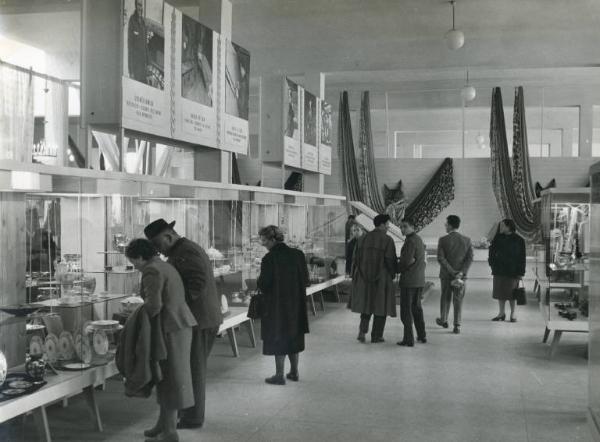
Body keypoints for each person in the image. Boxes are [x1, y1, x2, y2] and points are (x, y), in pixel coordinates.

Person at [144, 219, 222, 429]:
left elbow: (196, 284)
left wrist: (173, 303)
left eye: (159, 245)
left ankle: (193, 417)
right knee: (191, 368)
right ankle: (188, 413)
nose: (159, 251)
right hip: (200, 318)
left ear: (168, 237)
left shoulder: (186, 252)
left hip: (199, 319)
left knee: (194, 370)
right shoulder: (184, 249)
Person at [125, 239, 196, 442]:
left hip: (169, 328)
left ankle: (170, 433)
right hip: (179, 325)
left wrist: (133, 314)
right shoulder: (164, 265)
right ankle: (163, 425)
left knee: (170, 379)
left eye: (133, 262)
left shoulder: (151, 270)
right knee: (169, 378)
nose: (134, 266)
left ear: (140, 257)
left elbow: (154, 306)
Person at [257, 225, 309, 385]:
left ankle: (279, 375)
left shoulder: (269, 259)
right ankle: (294, 371)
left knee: (278, 336)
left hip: (276, 306)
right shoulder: (298, 254)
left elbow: (264, 284)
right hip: (296, 304)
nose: (263, 244)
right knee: (294, 335)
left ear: (273, 240)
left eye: (264, 241)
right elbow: (306, 280)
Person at [350, 214, 397, 343]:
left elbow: (356, 259)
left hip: (364, 278)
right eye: (387, 224)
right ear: (381, 224)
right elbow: (390, 260)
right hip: (381, 279)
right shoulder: (388, 240)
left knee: (366, 305)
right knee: (381, 307)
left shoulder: (362, 239)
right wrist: (393, 274)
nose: (388, 227)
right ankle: (377, 336)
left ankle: (362, 331)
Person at [435, 215, 474, 334]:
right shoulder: (467, 240)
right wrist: (461, 272)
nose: (445, 227)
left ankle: (444, 320)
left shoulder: (443, 240)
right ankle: (457, 325)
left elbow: (441, 259)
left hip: (446, 275)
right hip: (461, 277)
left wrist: (452, 272)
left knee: (445, 298)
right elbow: (470, 258)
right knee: (458, 300)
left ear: (450, 226)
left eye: (446, 225)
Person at [396, 217, 427, 346]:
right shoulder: (418, 239)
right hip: (419, 280)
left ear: (412, 227)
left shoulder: (410, 241)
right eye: (401, 226)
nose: (402, 229)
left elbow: (406, 261)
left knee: (406, 311)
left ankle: (408, 339)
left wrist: (397, 268)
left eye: (405, 226)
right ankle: (421, 335)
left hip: (409, 281)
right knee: (417, 309)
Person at [488, 219, 526, 322]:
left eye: (503, 226)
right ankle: (501, 313)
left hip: (513, 271)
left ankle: (513, 314)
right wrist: (492, 264)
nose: (501, 228)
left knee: (512, 293)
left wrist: (521, 272)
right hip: (499, 270)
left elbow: (522, 257)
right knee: (500, 292)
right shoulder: (497, 238)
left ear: (509, 226)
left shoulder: (519, 240)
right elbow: (491, 251)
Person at [128, 0, 148, 84]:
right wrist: (131, 71)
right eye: (139, 5)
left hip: (143, 66)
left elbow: (145, 45)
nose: (140, 8)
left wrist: (148, 63)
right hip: (135, 67)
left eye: (141, 5)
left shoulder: (143, 23)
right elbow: (130, 47)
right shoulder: (132, 20)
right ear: (135, 6)